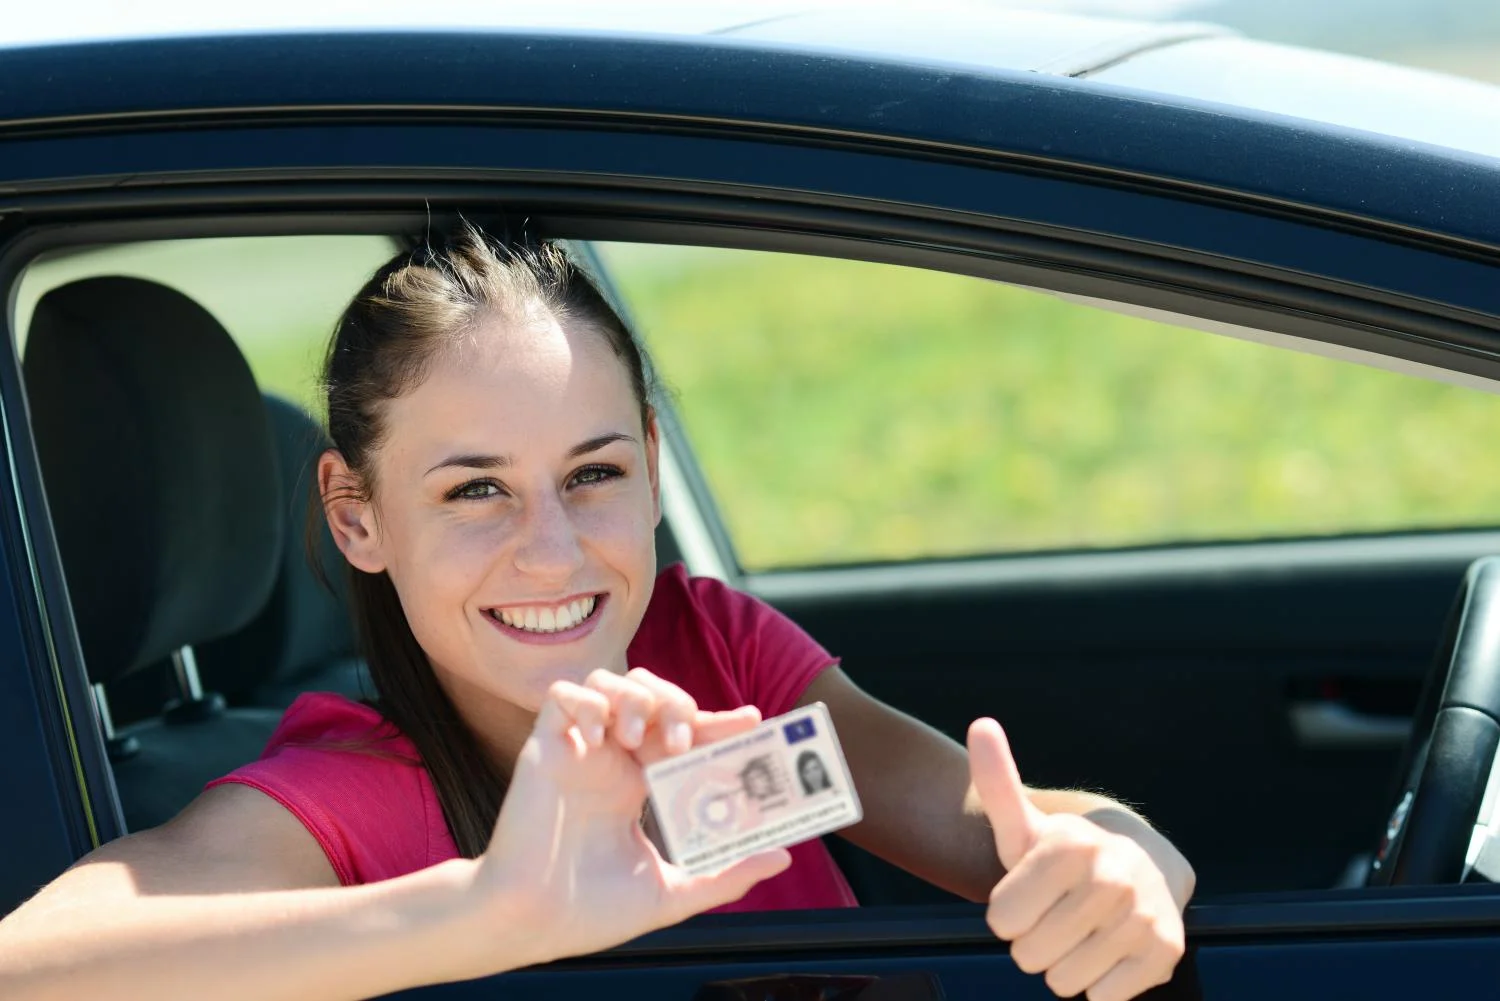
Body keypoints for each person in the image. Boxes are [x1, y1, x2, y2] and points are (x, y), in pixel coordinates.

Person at [0, 226, 1195, 1001]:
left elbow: (1005, 828)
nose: (554, 551)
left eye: (594, 473)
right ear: (356, 514)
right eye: (476, 490)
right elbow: (35, 968)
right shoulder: (353, 795)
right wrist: (491, 909)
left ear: (653, 461)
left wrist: (1126, 858)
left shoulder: (714, 652)